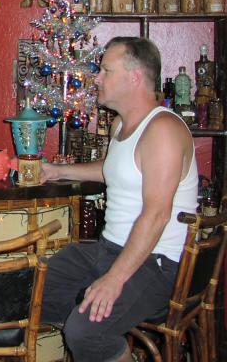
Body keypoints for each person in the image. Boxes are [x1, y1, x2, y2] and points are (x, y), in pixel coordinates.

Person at [40, 36, 198, 362]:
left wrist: (114, 279)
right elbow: (113, 169)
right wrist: (56, 171)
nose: (97, 78)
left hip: (156, 264)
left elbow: (156, 214)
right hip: (109, 249)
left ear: (134, 76)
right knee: (37, 288)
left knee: (85, 332)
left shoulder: (163, 130)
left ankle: (111, 347)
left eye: (105, 70)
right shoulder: (121, 124)